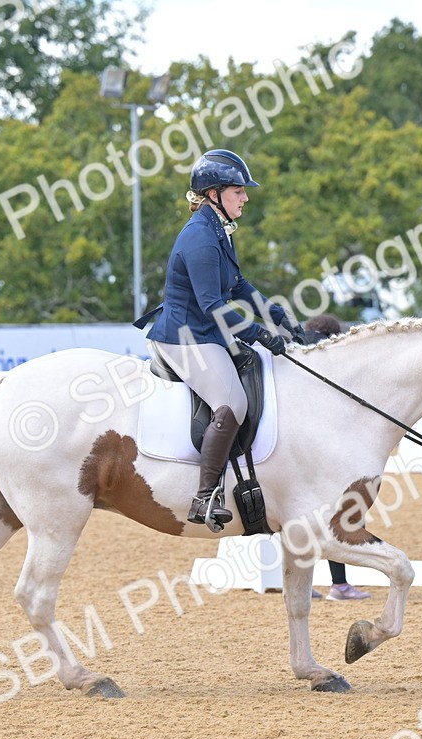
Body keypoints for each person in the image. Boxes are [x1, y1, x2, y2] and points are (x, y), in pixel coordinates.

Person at [134, 149, 304, 530]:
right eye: (238, 191)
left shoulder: (218, 230)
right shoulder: (200, 238)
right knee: (232, 403)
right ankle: (205, 494)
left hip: (204, 333)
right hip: (184, 338)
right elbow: (213, 305)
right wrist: (258, 333)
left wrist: (278, 316)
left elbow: (239, 285)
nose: (245, 197)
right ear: (214, 194)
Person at [301, 314, 372, 601]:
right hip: (326, 447)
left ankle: (302, 584)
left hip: (295, 446)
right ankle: (340, 585)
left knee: (299, 517)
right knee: (342, 513)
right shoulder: (334, 354)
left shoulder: (297, 349)